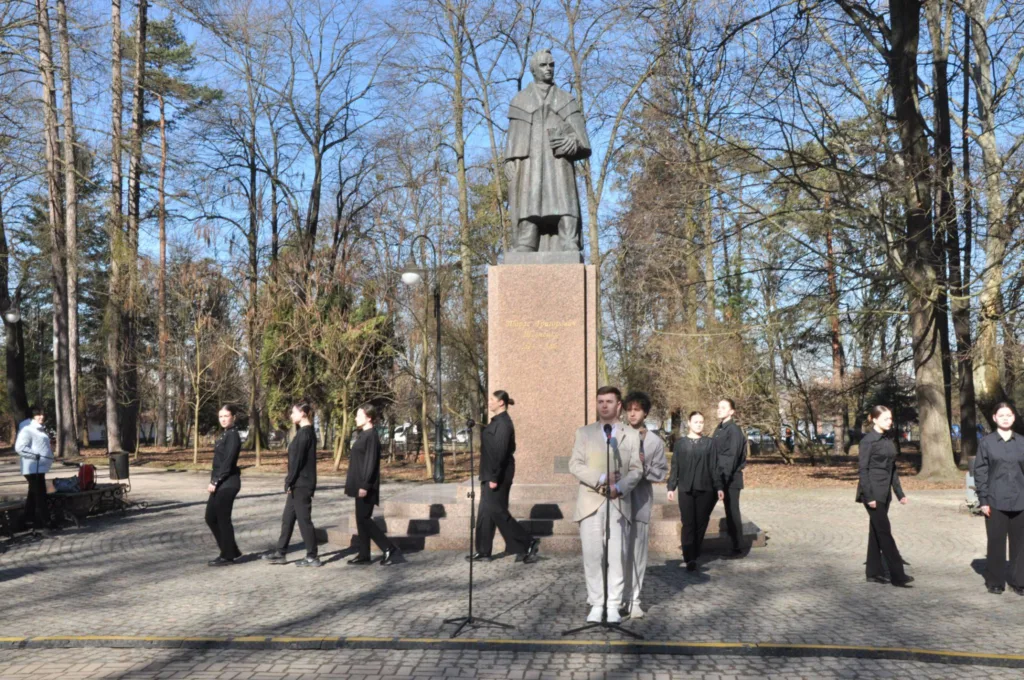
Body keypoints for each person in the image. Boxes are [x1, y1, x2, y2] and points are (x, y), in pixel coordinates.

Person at [504, 49, 592, 254]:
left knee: (564, 198)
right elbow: (513, 139)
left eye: (551, 65)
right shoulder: (520, 100)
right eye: (543, 65)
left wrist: (573, 143)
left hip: (558, 163)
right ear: (533, 70)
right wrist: (509, 160)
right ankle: (527, 239)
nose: (548, 69)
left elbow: (583, 141)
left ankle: (568, 238)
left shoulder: (566, 99)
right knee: (529, 197)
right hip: (530, 161)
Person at [569, 386, 643, 624]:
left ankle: (613, 604)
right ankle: (596, 602)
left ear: (618, 405)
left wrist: (618, 487)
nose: (604, 405)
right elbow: (575, 464)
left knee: (617, 556)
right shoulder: (584, 433)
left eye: (609, 401)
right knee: (592, 555)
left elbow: (636, 469)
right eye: (600, 401)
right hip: (591, 502)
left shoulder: (630, 435)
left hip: (619, 502)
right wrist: (601, 478)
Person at [469, 390, 539, 563]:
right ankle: (484, 551)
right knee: (485, 512)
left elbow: (500, 453)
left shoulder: (504, 424)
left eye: (492, 400)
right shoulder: (496, 422)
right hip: (489, 473)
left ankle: (527, 542)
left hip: (498, 475)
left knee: (497, 511)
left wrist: (494, 478)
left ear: (501, 403)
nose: (489, 402)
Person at [620, 391, 667, 619]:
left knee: (638, 552)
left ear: (645, 412)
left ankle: (634, 599)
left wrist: (642, 467)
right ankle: (617, 597)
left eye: (637, 409)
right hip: (618, 503)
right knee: (618, 553)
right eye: (629, 409)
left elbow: (660, 473)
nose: (632, 413)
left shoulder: (654, 442)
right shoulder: (616, 435)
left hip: (640, 503)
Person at [855, 405, 913, 587]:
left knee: (876, 532)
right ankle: (898, 575)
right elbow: (863, 470)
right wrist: (869, 496)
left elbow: (892, 469)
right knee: (884, 532)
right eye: (886, 418)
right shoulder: (867, 441)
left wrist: (899, 493)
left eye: (890, 418)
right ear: (874, 419)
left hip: (885, 492)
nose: (890, 421)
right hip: (872, 493)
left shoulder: (888, 440)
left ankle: (873, 572)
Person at [974, 402, 1024, 595]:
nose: (1005, 418)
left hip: (1020, 500)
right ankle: (995, 581)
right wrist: (983, 500)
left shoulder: (1021, 442)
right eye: (1001, 415)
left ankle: (1019, 580)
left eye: (1009, 414)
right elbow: (980, 472)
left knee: (1020, 544)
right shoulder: (986, 443)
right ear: (994, 418)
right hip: (995, 501)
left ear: (1014, 417)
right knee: (996, 542)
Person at [263, 402, 320, 567]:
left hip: (302, 484)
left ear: (303, 413)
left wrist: (289, 481)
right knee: (288, 518)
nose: (291, 415)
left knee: (304, 520)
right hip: (298, 483)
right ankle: (280, 552)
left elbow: (297, 461)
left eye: (293, 412)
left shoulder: (305, 434)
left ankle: (312, 556)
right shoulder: (303, 432)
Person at [667, 411, 725, 572]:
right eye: (696, 422)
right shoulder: (680, 443)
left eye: (701, 422)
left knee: (701, 522)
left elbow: (715, 467)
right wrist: (671, 487)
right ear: (689, 423)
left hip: (705, 488)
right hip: (685, 488)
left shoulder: (710, 443)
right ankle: (689, 557)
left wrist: (719, 487)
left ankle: (695, 552)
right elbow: (675, 466)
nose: (699, 424)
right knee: (688, 523)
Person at [345, 403, 397, 566]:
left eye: (359, 415)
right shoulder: (363, 435)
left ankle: (388, 547)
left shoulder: (372, 436)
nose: (355, 417)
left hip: (366, 485)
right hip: (359, 483)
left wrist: (365, 485)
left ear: (369, 417)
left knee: (364, 518)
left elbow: (371, 463)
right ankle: (364, 554)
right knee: (361, 519)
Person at [206, 405, 243, 566]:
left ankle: (227, 555)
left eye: (226, 416)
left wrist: (215, 481)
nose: (222, 419)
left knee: (222, 519)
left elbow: (227, 462)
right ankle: (231, 550)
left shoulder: (233, 436)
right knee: (210, 517)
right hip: (221, 483)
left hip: (228, 483)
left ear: (233, 417)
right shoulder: (225, 434)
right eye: (220, 416)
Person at [712, 398, 747, 557]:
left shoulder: (733, 430)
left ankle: (737, 546)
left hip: (730, 479)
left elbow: (731, 457)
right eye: (718, 407)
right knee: (728, 510)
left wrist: (722, 480)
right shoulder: (719, 429)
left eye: (723, 407)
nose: (719, 409)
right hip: (719, 477)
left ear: (731, 411)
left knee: (732, 511)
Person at [14, 408, 53, 534]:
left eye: (42, 414)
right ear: (32, 416)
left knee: (33, 495)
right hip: (32, 468)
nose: (41, 417)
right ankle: (45, 523)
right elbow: (20, 447)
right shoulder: (27, 429)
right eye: (38, 415)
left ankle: (25, 521)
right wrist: (35, 455)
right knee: (40, 495)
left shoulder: (40, 428)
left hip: (40, 467)